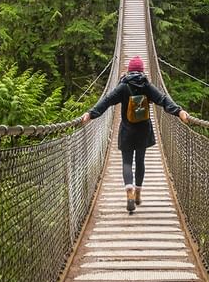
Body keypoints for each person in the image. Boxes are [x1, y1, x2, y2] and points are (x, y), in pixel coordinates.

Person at [81, 55, 190, 213]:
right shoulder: (146, 85)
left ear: (129, 71)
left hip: (127, 130)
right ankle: (138, 192)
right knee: (140, 161)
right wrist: (179, 111)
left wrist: (91, 114)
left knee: (127, 162)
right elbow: (163, 100)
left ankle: (129, 191)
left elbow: (107, 100)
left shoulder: (123, 86)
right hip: (143, 130)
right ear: (142, 70)